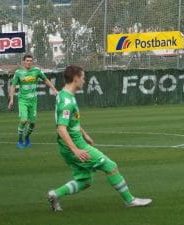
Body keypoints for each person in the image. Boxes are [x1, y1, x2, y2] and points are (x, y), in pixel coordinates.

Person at [47, 65, 152, 211]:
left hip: (68, 147)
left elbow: (70, 121)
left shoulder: (63, 95)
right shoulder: (67, 102)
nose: (84, 81)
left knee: (85, 180)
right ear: (76, 78)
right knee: (110, 166)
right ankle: (130, 200)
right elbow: (61, 128)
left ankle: (56, 194)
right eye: (83, 78)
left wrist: (84, 133)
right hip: (75, 146)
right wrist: (76, 149)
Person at [8, 55, 58, 149]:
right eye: (27, 60)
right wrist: (11, 99)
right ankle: (20, 140)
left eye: (31, 61)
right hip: (23, 100)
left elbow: (46, 80)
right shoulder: (18, 73)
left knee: (33, 123)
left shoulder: (36, 71)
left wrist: (54, 89)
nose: (29, 62)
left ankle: (26, 137)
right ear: (23, 62)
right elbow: (13, 86)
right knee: (23, 121)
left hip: (33, 101)